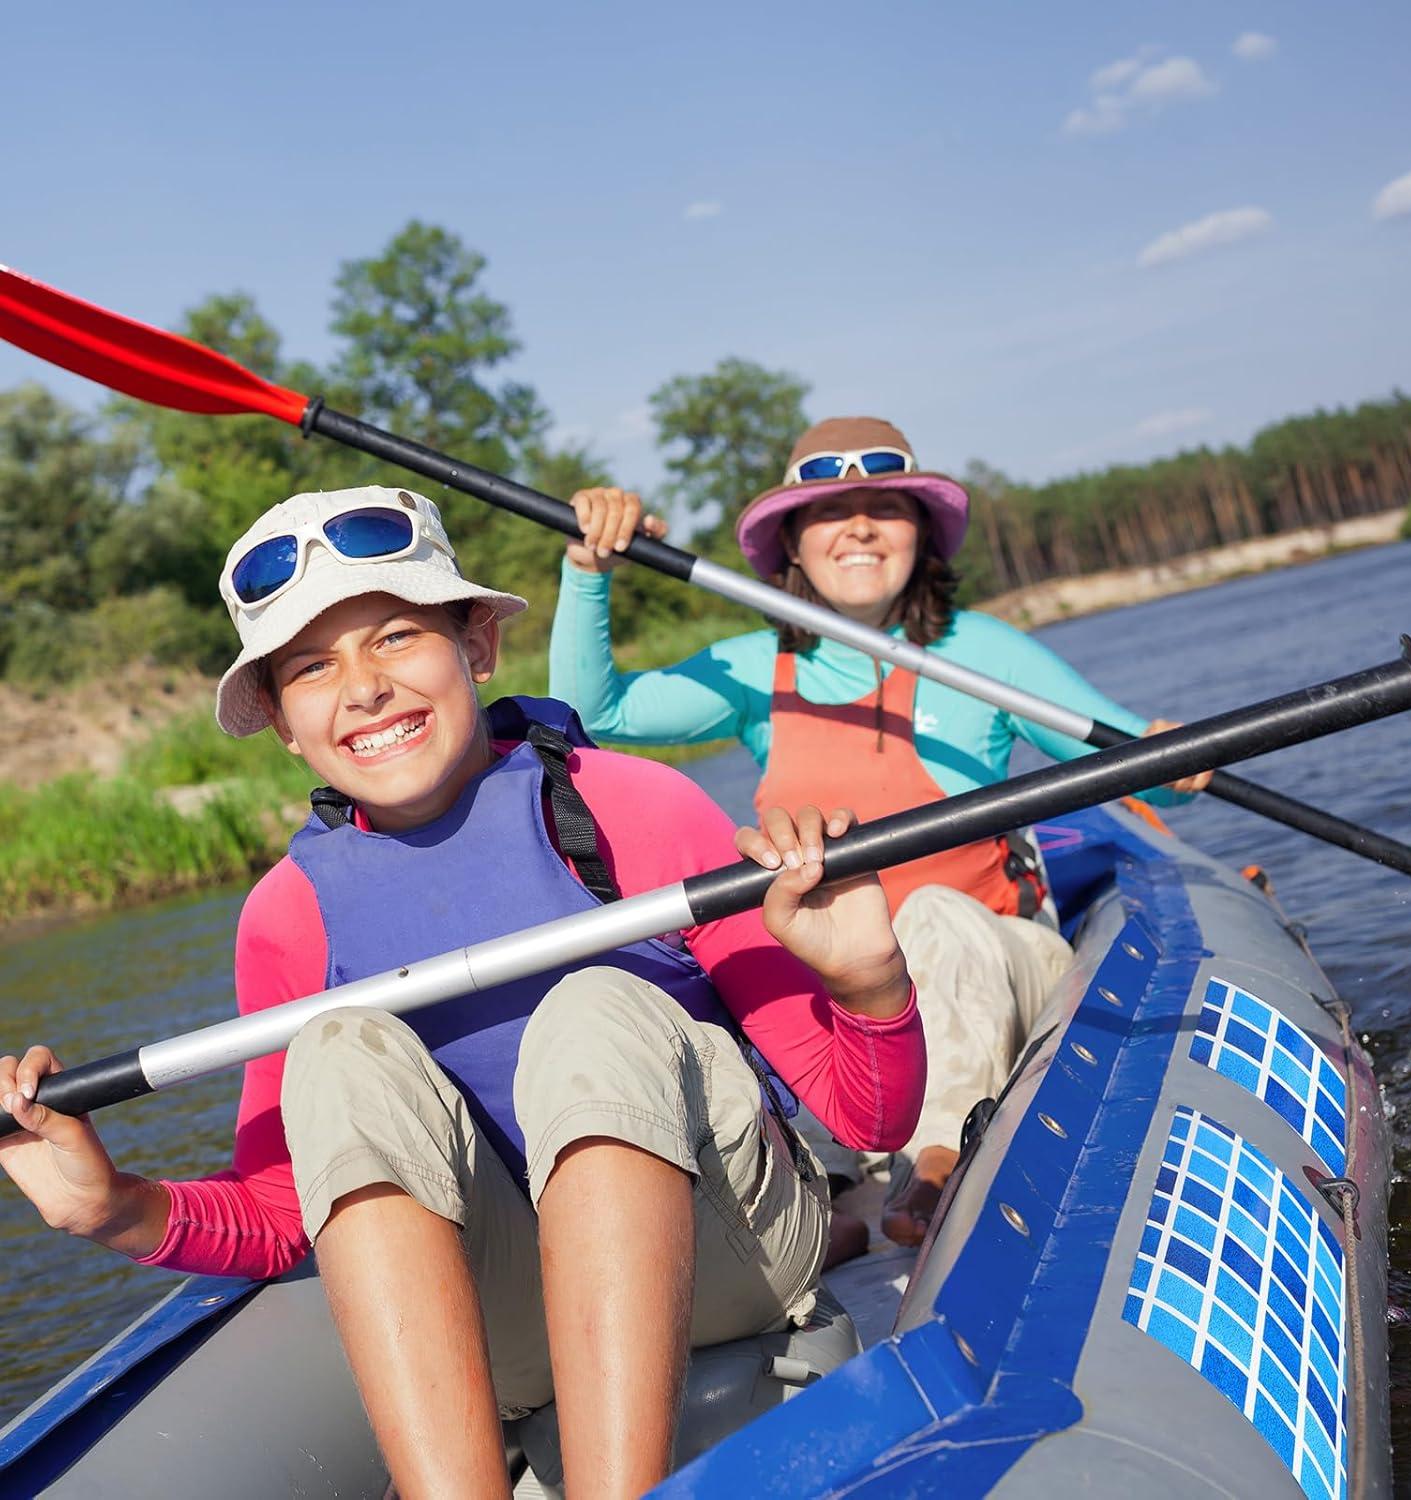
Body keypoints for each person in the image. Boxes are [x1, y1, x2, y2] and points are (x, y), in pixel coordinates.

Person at [0, 485, 926, 1499]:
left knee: (591, 1008)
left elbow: (862, 1112)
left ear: (477, 645)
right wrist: (115, 1211)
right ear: (279, 721)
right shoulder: (285, 915)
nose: (363, 688)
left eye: (396, 635)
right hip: (507, 1326)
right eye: (312, 667)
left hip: (730, 1260)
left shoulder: (631, 805)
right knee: (340, 1050)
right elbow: (285, 1218)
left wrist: (869, 984)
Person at [549, 416, 1210, 1249]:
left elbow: (1130, 760)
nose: (859, 526)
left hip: (995, 955)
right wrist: (586, 573)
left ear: (919, 536)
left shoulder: (984, 652)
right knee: (741, 975)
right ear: (793, 540)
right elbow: (598, 713)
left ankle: (931, 1164)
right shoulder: (759, 666)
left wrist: (1175, 761)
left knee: (930, 918)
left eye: (886, 507)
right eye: (830, 510)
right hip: (847, 997)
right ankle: (814, 1193)